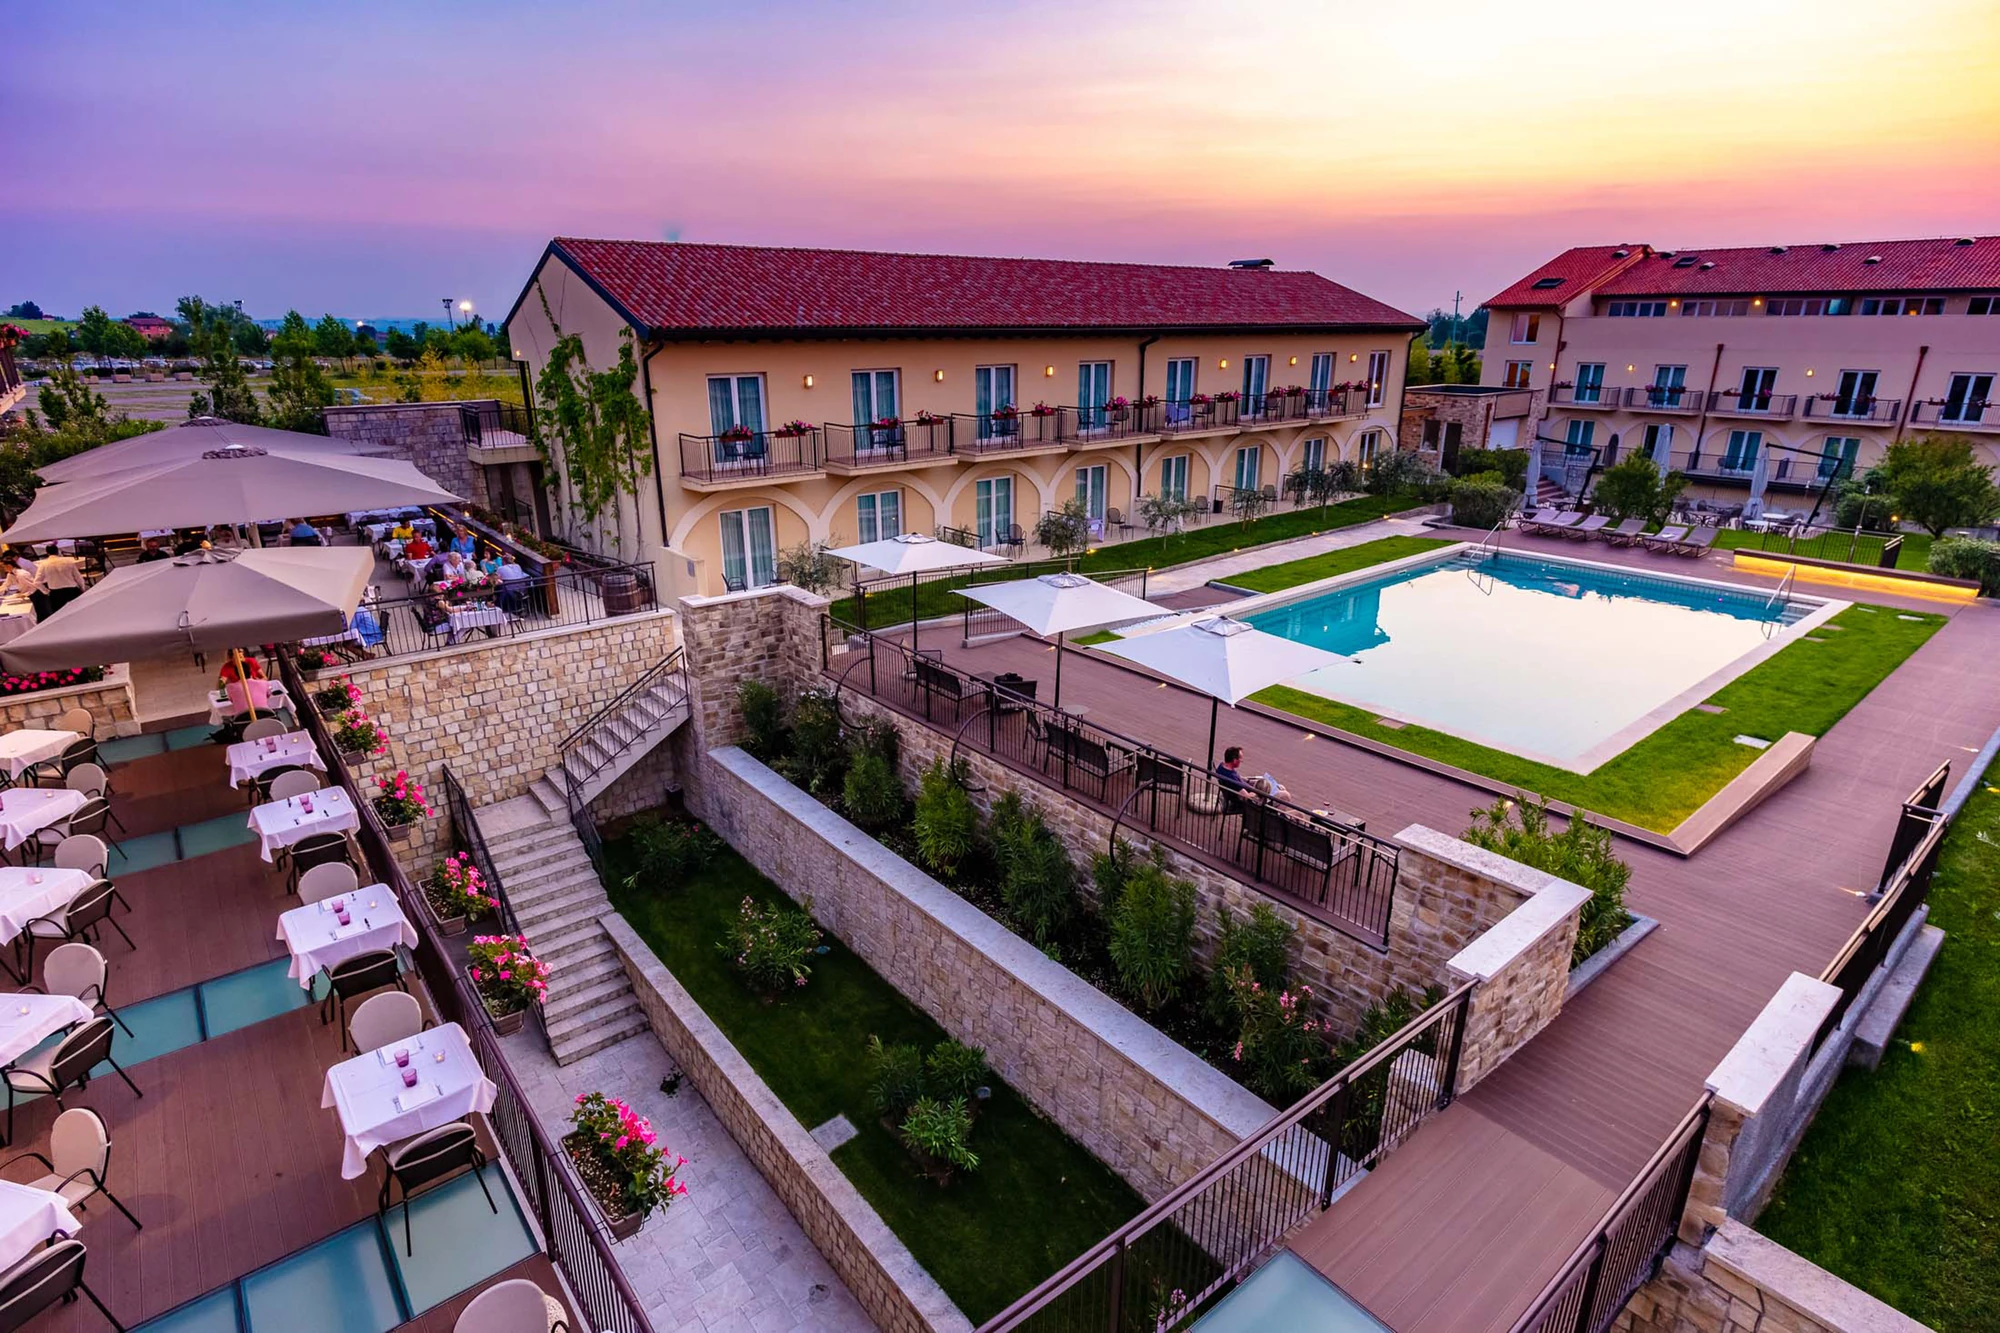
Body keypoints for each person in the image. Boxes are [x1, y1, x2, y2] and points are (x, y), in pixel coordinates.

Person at [1215, 745, 1290, 801]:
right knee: (1285, 795)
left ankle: (1275, 789)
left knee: (1278, 786)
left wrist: (1248, 781)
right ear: (1234, 760)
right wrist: (1259, 792)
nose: (1241, 761)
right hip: (1257, 798)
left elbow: (1238, 779)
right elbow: (1246, 796)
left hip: (1249, 787)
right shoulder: (1233, 779)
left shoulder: (1222, 766)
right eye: (1240, 758)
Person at [34, 545, 87, 613]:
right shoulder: (68, 561)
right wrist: (82, 588)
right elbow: (78, 577)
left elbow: (37, 582)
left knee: (60, 615)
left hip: (56, 593)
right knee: (77, 612)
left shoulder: (44, 564)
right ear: (58, 551)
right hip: (71, 591)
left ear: (47, 553)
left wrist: (47, 592)